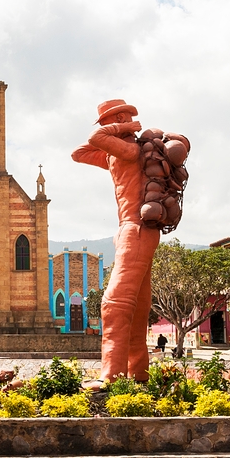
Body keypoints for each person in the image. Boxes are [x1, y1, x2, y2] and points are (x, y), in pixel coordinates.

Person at [72, 99, 161, 385]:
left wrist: (123, 127)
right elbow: (79, 153)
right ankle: (138, 375)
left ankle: (111, 377)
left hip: (134, 229)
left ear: (121, 119)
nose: (104, 128)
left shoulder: (130, 150)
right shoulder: (117, 155)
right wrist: (117, 132)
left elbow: (93, 139)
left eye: (109, 121)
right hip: (133, 230)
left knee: (114, 304)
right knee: (136, 310)